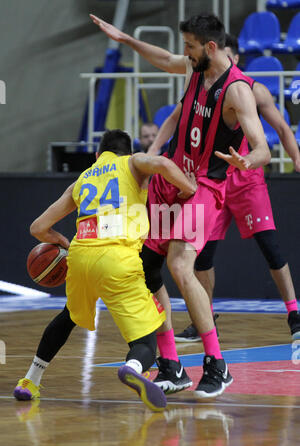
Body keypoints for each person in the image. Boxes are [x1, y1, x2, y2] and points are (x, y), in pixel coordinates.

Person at [90, 13, 271, 398]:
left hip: (205, 185)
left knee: (179, 263)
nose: (183, 53)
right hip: (174, 178)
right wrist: (126, 39)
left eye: (189, 46)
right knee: (147, 267)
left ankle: (216, 364)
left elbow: (263, 147)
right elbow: (161, 58)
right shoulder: (194, 67)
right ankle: (171, 365)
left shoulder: (237, 90)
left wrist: (247, 161)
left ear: (209, 47)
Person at [13, 129, 197, 412]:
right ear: (127, 151)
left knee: (68, 316)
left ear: (98, 155)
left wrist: (62, 242)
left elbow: (37, 228)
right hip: (118, 257)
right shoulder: (133, 162)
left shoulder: (83, 179)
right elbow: (161, 163)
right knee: (149, 333)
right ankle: (134, 367)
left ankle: (29, 381)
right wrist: (188, 188)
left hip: (80, 256)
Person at [174, 33, 300, 343]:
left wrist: (297, 158)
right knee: (202, 256)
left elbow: (282, 128)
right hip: (213, 180)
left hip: (246, 179)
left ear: (235, 59)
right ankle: (206, 318)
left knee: (270, 247)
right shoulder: (203, 86)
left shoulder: (250, 90)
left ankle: (294, 313)